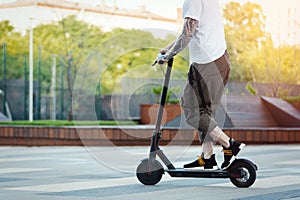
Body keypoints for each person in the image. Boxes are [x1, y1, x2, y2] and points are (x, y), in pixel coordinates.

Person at [155, 0, 245, 169]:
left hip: (206, 64)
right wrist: (168, 49)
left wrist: (167, 56)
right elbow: (192, 31)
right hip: (218, 60)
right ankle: (208, 156)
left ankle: (229, 144)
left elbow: (187, 34)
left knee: (191, 110)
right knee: (205, 113)